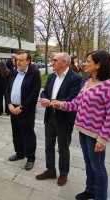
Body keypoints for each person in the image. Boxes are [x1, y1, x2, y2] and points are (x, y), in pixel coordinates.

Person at [51, 50, 110, 200]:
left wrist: (103, 139)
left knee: (98, 167)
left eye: (88, 61)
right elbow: (77, 103)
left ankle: (100, 196)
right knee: (88, 163)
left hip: (96, 135)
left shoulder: (109, 85)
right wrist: (61, 104)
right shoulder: (88, 82)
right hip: (83, 131)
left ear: (98, 65)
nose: (84, 63)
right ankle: (90, 189)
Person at [36, 52, 82, 186]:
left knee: (63, 147)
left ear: (64, 63)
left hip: (64, 118)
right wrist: (44, 98)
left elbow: (73, 98)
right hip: (50, 116)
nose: (52, 62)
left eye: (55, 60)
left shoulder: (75, 78)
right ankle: (50, 170)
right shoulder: (51, 77)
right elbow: (44, 91)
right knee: (48, 145)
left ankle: (63, 173)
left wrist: (52, 102)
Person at [6, 51, 41, 171]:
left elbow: (35, 93)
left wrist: (21, 107)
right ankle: (19, 153)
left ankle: (31, 158)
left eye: (21, 60)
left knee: (28, 133)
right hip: (13, 108)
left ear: (28, 61)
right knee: (16, 132)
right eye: (17, 60)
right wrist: (9, 104)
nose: (18, 62)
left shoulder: (34, 73)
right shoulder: (14, 72)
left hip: (25, 109)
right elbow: (8, 89)